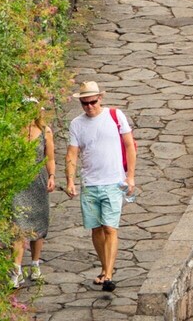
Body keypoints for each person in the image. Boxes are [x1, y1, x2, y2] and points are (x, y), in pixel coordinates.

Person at [65, 81, 137, 292]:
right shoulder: (77, 124)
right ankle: (105, 269)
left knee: (110, 228)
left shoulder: (115, 116)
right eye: (85, 103)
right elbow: (72, 154)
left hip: (114, 182)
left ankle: (109, 275)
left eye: (92, 102)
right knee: (96, 229)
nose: (89, 107)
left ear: (100, 99)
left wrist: (130, 177)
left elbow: (129, 145)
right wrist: (70, 180)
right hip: (90, 184)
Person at [9, 97, 56, 288]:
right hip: (18, 182)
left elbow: (49, 158)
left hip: (38, 182)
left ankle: (35, 265)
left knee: (38, 222)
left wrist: (51, 176)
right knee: (18, 226)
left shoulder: (45, 131)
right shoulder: (13, 131)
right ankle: (16, 271)